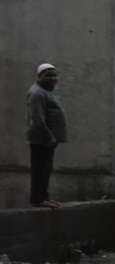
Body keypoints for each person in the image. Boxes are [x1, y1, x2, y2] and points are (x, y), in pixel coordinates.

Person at [26, 63, 67, 208]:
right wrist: (50, 137)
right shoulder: (37, 93)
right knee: (40, 170)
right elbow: (37, 118)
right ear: (39, 76)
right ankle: (38, 199)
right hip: (42, 139)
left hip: (48, 140)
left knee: (45, 170)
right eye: (48, 75)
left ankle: (44, 197)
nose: (53, 78)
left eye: (55, 75)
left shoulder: (47, 91)